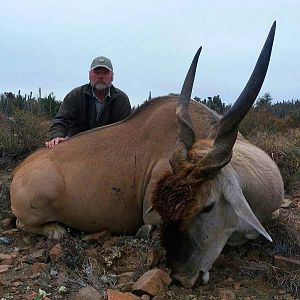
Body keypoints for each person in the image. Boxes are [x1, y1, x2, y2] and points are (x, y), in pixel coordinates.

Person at [45, 56, 131, 148]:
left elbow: (127, 130)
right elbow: (61, 120)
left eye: (105, 73)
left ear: (112, 76)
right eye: (97, 72)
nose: (101, 76)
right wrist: (57, 136)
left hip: (110, 148)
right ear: (90, 75)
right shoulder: (75, 95)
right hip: (76, 148)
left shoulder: (122, 99)